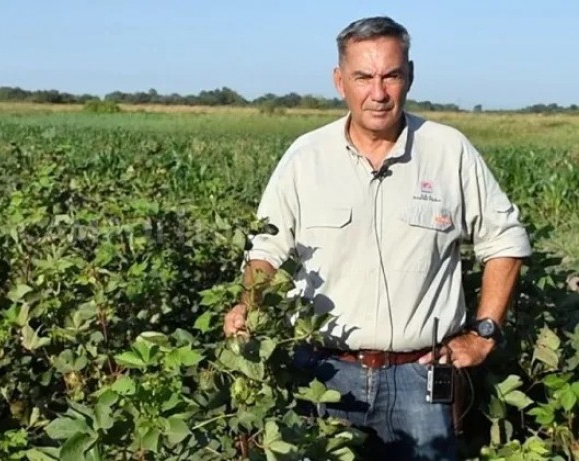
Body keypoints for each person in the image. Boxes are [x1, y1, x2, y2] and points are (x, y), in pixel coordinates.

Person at [223, 15, 531, 461]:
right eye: (363, 77)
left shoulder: (449, 151)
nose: (378, 92)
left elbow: (505, 240)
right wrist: (248, 305)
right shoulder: (306, 158)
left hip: (420, 379)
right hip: (322, 373)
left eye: (391, 75)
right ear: (339, 81)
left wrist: (484, 333)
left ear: (410, 75)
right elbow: (268, 247)